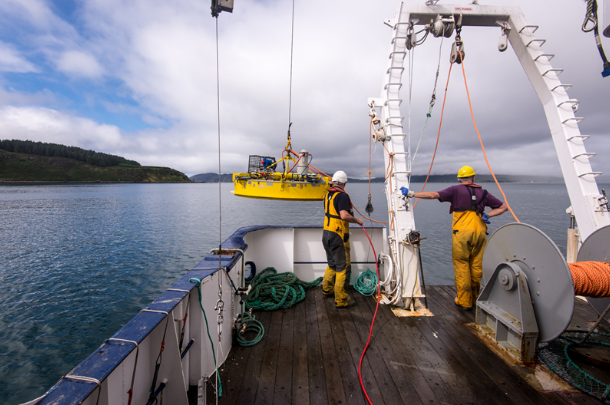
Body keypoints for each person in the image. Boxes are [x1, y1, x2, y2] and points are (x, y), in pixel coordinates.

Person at [403, 166, 508, 309]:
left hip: (462, 233)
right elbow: (503, 207)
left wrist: (412, 193)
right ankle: (476, 297)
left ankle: (464, 301)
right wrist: (488, 215)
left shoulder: (455, 190)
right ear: (473, 178)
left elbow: (433, 195)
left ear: (459, 179)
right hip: (480, 233)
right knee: (476, 266)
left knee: (461, 265)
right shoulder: (484, 193)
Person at [322, 170, 363, 308]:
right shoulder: (342, 196)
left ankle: (327, 290)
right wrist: (357, 220)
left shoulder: (328, 194)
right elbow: (344, 216)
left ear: (334, 181)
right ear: (345, 183)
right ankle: (341, 300)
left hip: (326, 233)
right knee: (342, 267)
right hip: (338, 235)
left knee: (332, 264)